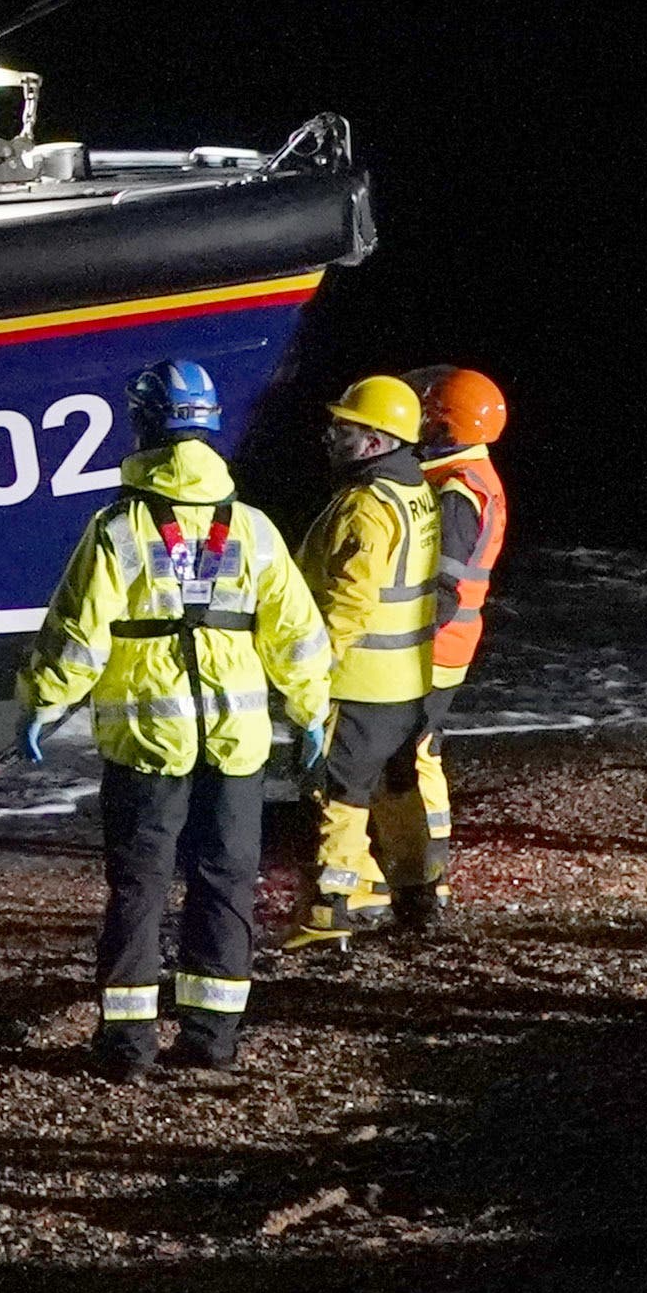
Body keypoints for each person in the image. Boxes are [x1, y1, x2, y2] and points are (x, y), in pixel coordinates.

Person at [14, 360, 332, 1077]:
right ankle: (212, 1040)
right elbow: (298, 634)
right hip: (237, 742)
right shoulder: (253, 529)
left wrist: (43, 703)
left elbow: (77, 634)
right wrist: (311, 711)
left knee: (139, 890)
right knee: (226, 885)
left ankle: (127, 1046)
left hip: (145, 742)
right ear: (209, 427)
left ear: (143, 426)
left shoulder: (118, 528)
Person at [285, 374, 448, 951]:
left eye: (345, 429)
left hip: (358, 682)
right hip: (407, 682)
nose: (332, 436)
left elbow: (349, 603)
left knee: (336, 796)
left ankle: (326, 912)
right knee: (398, 790)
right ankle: (417, 897)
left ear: (377, 441)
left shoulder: (365, 507)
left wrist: (308, 671)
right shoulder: (416, 492)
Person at [404, 362, 515, 938]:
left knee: (412, 753)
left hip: (434, 645)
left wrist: (400, 643)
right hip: (451, 643)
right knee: (421, 751)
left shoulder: (454, 490)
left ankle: (425, 874)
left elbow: (442, 587)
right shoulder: (472, 476)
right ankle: (425, 870)